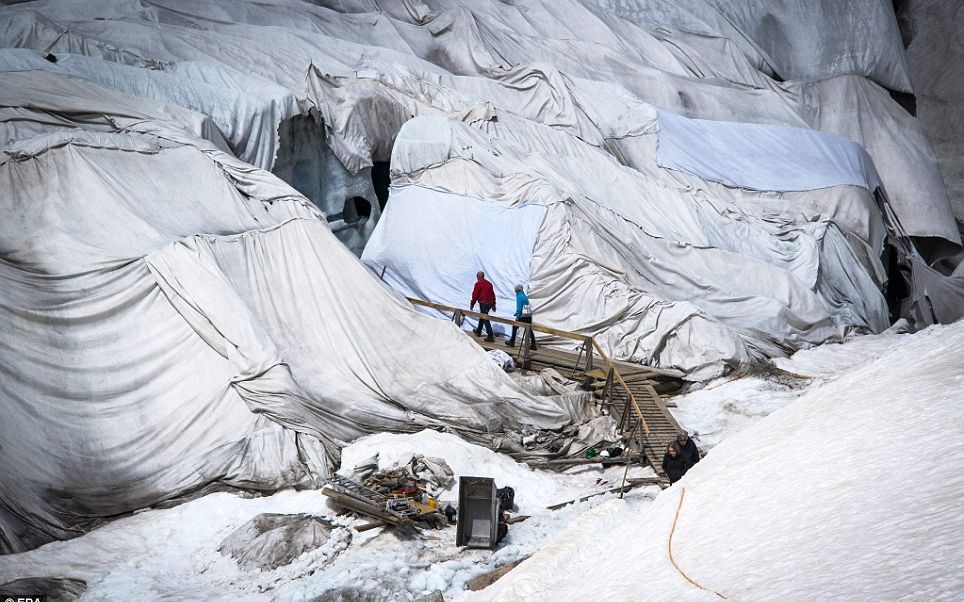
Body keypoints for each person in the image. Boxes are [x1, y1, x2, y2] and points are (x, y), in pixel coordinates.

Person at [505, 284, 537, 350]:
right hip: (528, 314)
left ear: (517, 290)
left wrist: (517, 316)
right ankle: (533, 344)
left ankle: (512, 341)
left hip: (523, 316)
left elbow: (519, 307)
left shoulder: (519, 296)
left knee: (515, 326)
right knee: (529, 330)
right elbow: (525, 306)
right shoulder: (524, 296)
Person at [469, 271, 496, 342]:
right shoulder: (489, 284)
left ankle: (490, 335)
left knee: (485, 318)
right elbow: (493, 294)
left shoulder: (478, 284)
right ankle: (478, 331)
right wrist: (493, 304)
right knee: (482, 316)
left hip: (484, 303)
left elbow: (475, 294)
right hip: (489, 303)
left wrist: (472, 304)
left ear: (478, 277)